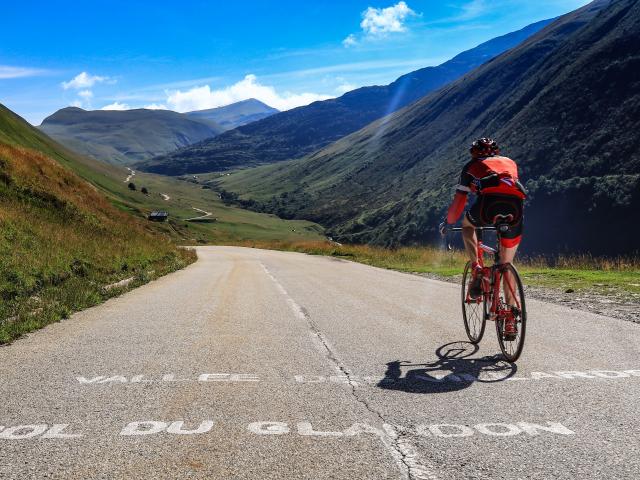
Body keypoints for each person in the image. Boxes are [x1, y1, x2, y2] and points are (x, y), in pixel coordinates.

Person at [440, 138, 526, 338]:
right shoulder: (510, 162)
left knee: (468, 226)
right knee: (507, 264)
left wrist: (449, 222)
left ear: (473, 153)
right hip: (516, 209)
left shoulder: (471, 166)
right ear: (497, 152)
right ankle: (511, 320)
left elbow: (459, 201)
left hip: (487, 207)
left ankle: (477, 267)